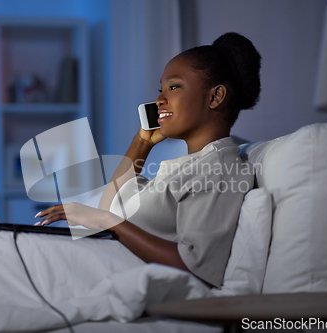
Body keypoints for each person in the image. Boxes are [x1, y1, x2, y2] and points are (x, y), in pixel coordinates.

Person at [35, 32, 261, 288]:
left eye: (174, 87)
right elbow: (109, 204)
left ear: (215, 96)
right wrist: (141, 143)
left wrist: (108, 222)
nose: (159, 100)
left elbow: (197, 268)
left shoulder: (220, 168)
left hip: (105, 275)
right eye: (160, 89)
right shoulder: (190, 164)